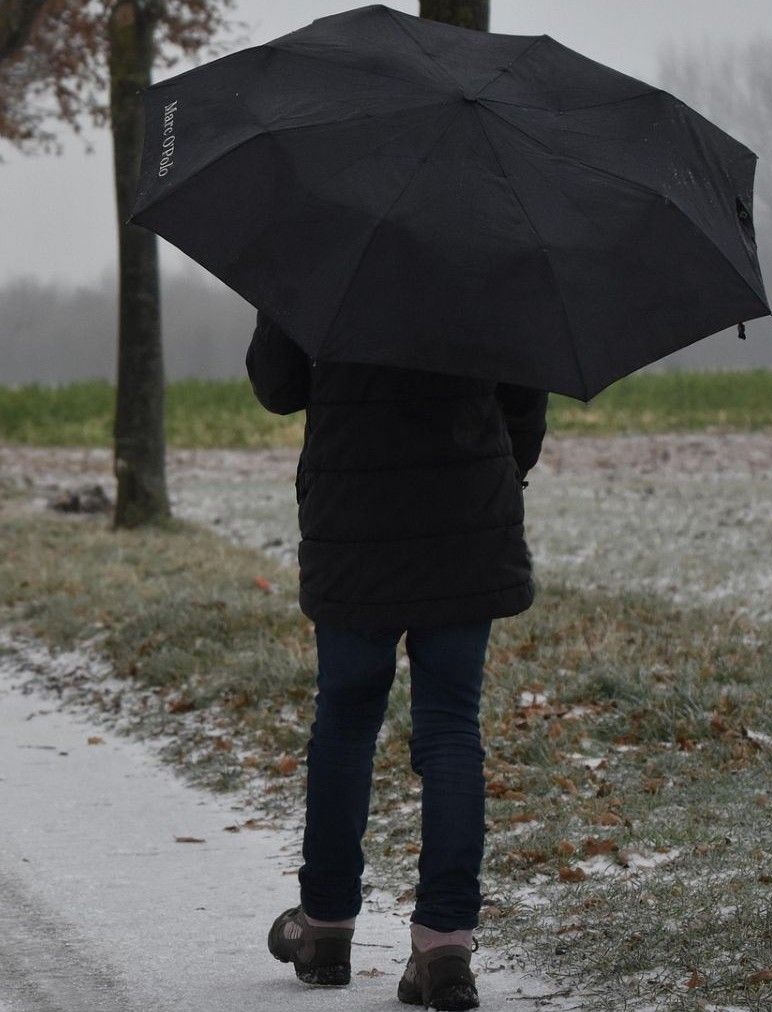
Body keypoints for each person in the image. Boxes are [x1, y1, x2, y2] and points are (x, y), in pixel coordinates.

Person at [248, 311, 547, 1012]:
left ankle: (323, 929)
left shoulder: (323, 239)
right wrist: (498, 476)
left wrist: (276, 304)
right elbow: (525, 400)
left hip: (355, 522)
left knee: (346, 721)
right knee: (449, 728)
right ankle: (444, 947)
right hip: (464, 522)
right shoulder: (491, 246)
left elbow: (278, 385)